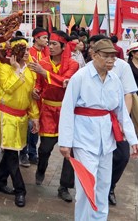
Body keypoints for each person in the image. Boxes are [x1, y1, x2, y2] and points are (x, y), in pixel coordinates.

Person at [58, 39, 138, 221]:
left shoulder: (115, 79)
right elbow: (67, 108)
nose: (111, 60)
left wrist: (133, 139)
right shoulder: (80, 77)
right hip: (83, 139)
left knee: (103, 185)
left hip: (107, 140)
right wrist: (65, 142)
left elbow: (121, 112)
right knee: (87, 185)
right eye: (106, 56)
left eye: (113, 56)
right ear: (94, 55)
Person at [31, 30, 79, 202]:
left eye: (54, 44)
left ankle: (64, 186)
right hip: (48, 110)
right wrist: (36, 91)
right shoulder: (42, 62)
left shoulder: (73, 65)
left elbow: (65, 82)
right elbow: (38, 83)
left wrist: (45, 74)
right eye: (49, 43)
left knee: (69, 151)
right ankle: (41, 169)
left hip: (66, 112)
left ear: (63, 46)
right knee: (45, 148)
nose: (49, 47)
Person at [0, 38, 39, 208]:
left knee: (12, 151)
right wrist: (17, 70)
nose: (27, 53)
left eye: (27, 49)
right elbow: (7, 88)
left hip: (22, 117)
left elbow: (31, 97)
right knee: (12, 154)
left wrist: (35, 117)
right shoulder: (4, 68)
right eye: (23, 50)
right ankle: (20, 190)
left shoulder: (30, 71)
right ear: (14, 52)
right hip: (7, 116)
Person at [20, 27, 49, 167]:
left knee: (36, 124)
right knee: (27, 124)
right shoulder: (28, 53)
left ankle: (33, 152)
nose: (47, 41)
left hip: (40, 95)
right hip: (28, 93)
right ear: (36, 38)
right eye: (44, 38)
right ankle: (23, 153)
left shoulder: (46, 53)